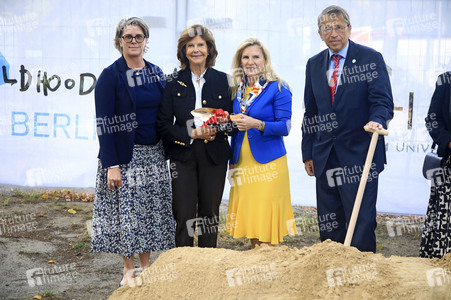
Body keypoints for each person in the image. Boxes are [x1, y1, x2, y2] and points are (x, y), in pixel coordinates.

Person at [301, 5, 394, 253]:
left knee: (361, 221)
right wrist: (308, 153)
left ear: (349, 30)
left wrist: (378, 120)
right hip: (324, 155)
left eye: (339, 27)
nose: (334, 33)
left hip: (360, 155)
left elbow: (382, 102)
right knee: (329, 220)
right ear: (319, 33)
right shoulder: (314, 64)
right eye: (327, 28)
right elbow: (311, 112)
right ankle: (332, 271)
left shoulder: (370, 59)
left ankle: (361, 275)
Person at [91, 17, 175, 286]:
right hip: (124, 158)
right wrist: (111, 164)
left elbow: (166, 114)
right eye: (128, 37)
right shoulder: (110, 75)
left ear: (146, 41)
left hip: (153, 155)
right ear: (120, 41)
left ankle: (146, 269)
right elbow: (103, 123)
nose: (134, 41)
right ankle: (128, 271)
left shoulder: (156, 73)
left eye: (139, 37)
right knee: (126, 216)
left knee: (149, 214)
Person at [156, 24, 234, 248]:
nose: (196, 49)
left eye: (201, 44)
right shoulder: (172, 82)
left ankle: (207, 268)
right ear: (184, 50)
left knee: (209, 214)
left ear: (209, 49)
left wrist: (220, 126)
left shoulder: (225, 81)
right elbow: (163, 125)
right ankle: (182, 266)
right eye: (190, 45)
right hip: (183, 156)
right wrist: (191, 133)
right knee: (184, 212)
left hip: (215, 155)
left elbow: (233, 124)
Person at [226, 37, 298, 248]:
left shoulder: (279, 87)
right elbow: (235, 131)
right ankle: (257, 266)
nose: (250, 62)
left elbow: (285, 127)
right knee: (252, 219)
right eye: (245, 57)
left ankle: (272, 266)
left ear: (265, 60)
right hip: (242, 162)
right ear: (240, 62)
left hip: (269, 164)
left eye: (256, 56)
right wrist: (232, 162)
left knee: (267, 220)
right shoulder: (237, 90)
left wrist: (257, 124)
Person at [420, 72, 451, 258]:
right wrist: (448, 142)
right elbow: (432, 120)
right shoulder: (445, 80)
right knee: (445, 222)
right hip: (449, 166)